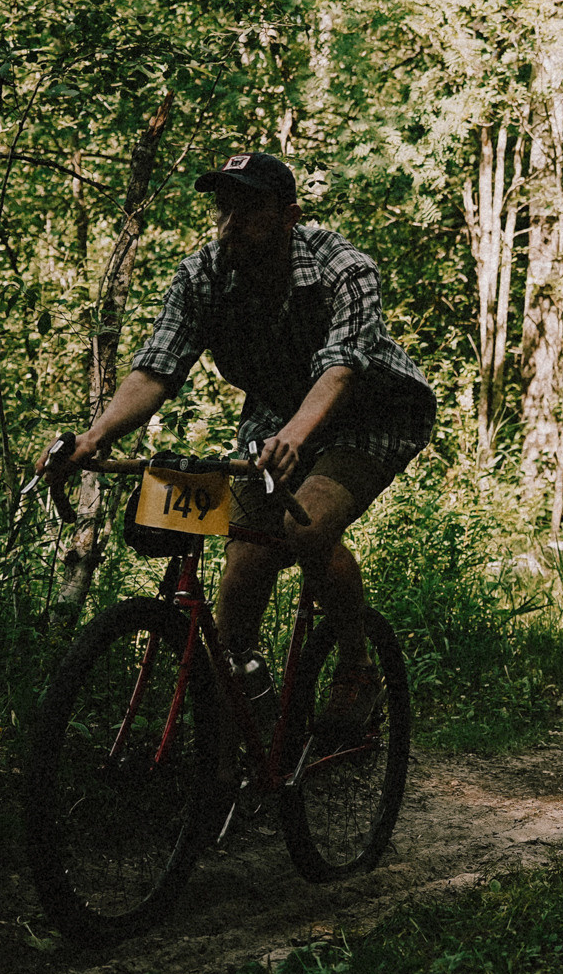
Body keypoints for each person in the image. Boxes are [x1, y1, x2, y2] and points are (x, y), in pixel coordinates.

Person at [42, 150, 436, 754]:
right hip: (276, 418)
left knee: (306, 527)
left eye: (248, 208)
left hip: (373, 415)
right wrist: (94, 439)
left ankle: (357, 669)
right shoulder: (201, 275)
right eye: (224, 207)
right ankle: (237, 720)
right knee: (246, 558)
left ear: (288, 215)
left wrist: (297, 439)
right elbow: (156, 370)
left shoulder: (343, 269)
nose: (230, 222)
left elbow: (338, 371)